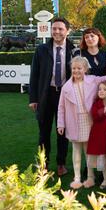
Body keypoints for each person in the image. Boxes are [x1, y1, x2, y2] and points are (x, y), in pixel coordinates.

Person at [29, 17, 75, 176]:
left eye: (60, 29)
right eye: (54, 28)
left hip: (65, 96)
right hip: (45, 95)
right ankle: (44, 163)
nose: (56, 31)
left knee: (62, 132)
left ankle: (61, 163)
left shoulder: (74, 50)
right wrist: (33, 99)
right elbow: (34, 75)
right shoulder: (41, 49)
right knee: (44, 132)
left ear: (67, 31)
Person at [57, 56, 106, 189]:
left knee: (89, 151)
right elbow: (61, 107)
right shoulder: (66, 87)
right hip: (73, 122)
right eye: (74, 68)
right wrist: (61, 124)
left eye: (79, 68)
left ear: (85, 69)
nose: (76, 71)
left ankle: (90, 177)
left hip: (89, 121)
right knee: (76, 150)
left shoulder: (92, 80)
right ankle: (77, 178)